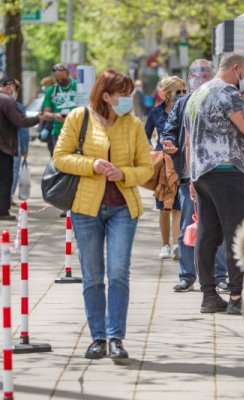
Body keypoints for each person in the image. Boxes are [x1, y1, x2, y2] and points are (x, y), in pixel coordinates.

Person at [53, 69, 153, 359]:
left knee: (119, 272)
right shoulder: (78, 118)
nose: (128, 99)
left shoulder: (132, 124)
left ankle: (116, 336)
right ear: (106, 96)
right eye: (123, 94)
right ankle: (98, 337)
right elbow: (60, 157)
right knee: (93, 276)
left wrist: (123, 173)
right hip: (86, 209)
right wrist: (92, 164)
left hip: (123, 208)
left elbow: (146, 168)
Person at [184, 52, 244, 315]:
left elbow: (188, 140)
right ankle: (238, 296)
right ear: (236, 69)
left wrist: (191, 175)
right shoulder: (228, 93)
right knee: (237, 234)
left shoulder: (196, 94)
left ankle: (208, 294)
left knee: (208, 232)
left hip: (201, 171)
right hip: (226, 169)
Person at [161, 59, 229, 293]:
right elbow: (169, 129)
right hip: (189, 177)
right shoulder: (183, 103)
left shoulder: (223, 99)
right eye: (197, 76)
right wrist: (168, 142)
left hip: (216, 174)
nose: (201, 80)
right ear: (190, 78)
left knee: (216, 226)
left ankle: (220, 275)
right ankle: (187, 275)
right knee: (187, 228)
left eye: (206, 75)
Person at [145, 75, 186, 260]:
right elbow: (144, 136)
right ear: (167, 93)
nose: (182, 94)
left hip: (182, 162)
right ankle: (165, 245)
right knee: (164, 207)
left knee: (178, 207)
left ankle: (177, 244)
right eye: (178, 91)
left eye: (184, 91)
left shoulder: (186, 110)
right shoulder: (156, 113)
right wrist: (153, 153)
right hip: (163, 164)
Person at [0, 76, 48, 220]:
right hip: (4, 146)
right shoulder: (7, 100)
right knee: (5, 179)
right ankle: (2, 211)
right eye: (16, 88)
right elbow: (19, 121)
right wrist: (38, 119)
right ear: (10, 87)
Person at [42, 63, 78, 155]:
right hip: (58, 132)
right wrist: (55, 116)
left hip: (77, 132)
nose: (60, 81)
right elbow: (46, 114)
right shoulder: (51, 90)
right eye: (57, 79)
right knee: (59, 163)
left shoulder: (78, 86)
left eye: (63, 78)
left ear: (68, 73)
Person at [11, 81, 30, 202]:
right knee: (13, 171)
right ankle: (7, 197)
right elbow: (23, 129)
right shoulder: (18, 107)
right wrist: (24, 148)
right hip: (14, 144)